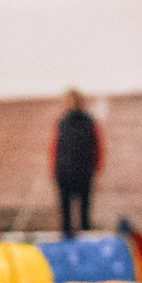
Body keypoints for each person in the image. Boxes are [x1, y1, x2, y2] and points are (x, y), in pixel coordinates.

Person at [50, 90, 103, 238]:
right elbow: (56, 147)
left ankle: (72, 239)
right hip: (74, 171)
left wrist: (54, 169)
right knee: (76, 215)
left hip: (74, 171)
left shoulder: (66, 122)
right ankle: (75, 238)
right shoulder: (65, 122)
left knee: (73, 215)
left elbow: (97, 147)